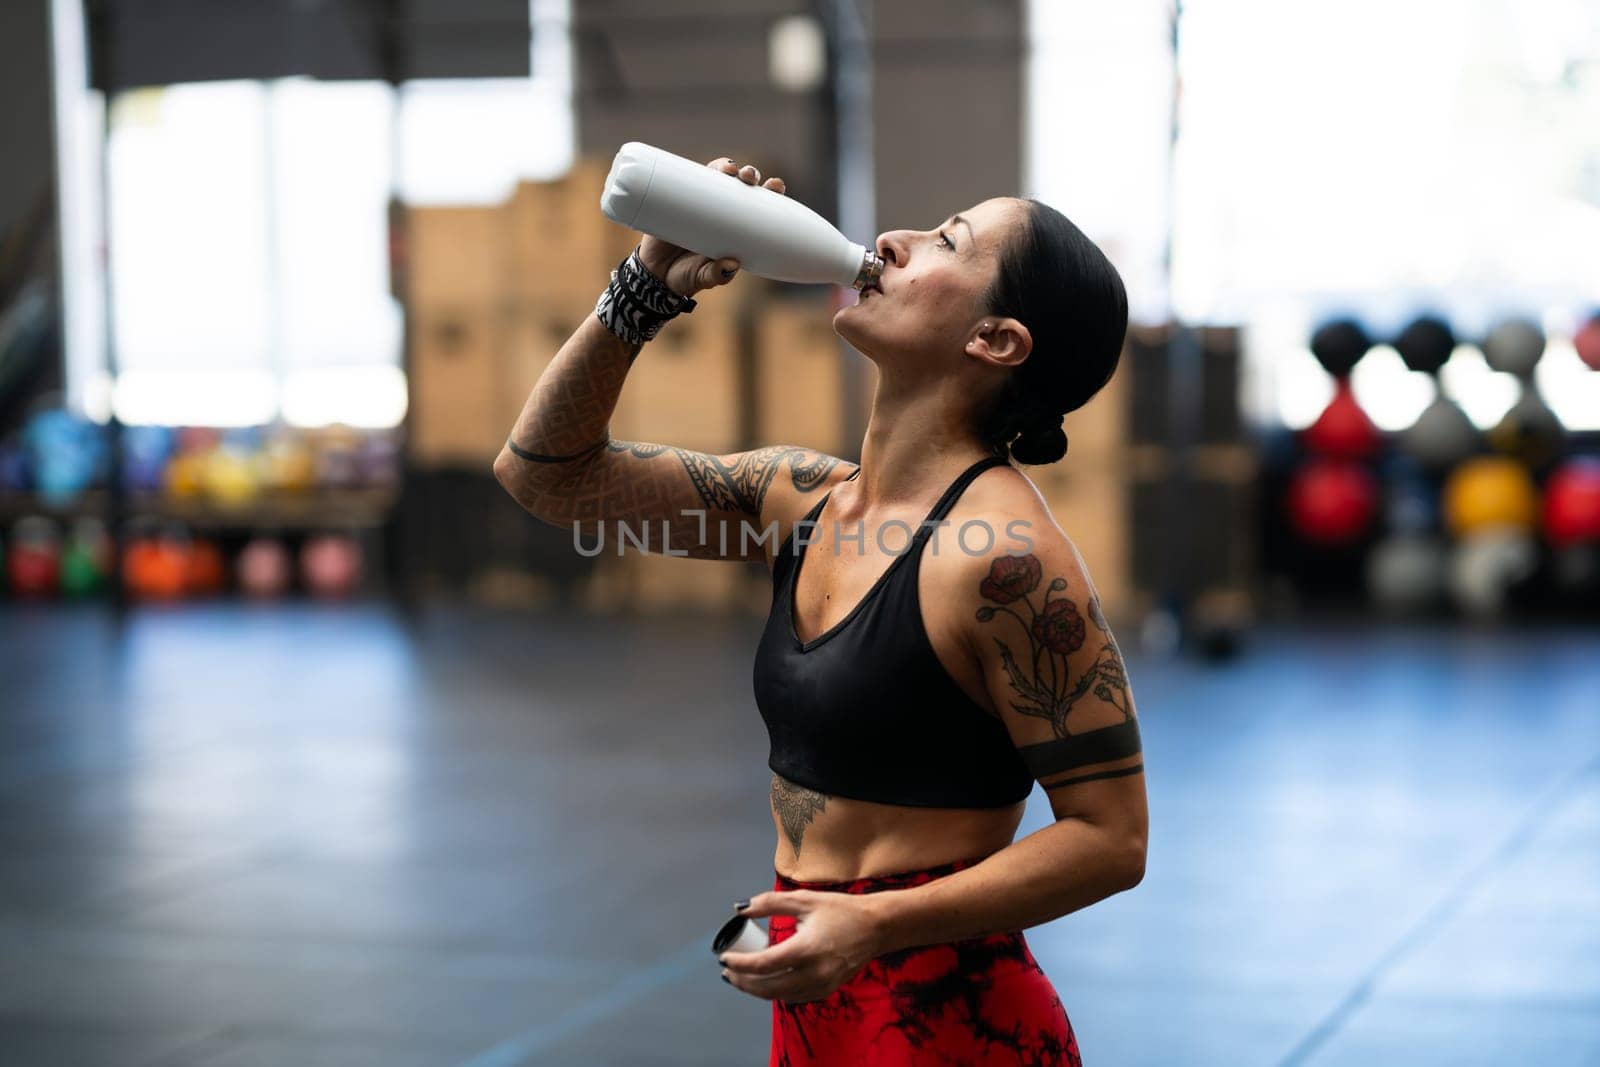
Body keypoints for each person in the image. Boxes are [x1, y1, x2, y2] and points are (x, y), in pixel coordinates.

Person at [494, 157, 1146, 1066]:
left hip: (951, 1018)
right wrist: (642, 287)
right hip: (819, 995)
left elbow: (1111, 838)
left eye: (945, 240)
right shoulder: (799, 496)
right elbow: (548, 476)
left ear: (996, 340)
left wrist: (873, 925)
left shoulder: (1008, 562)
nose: (893, 242)